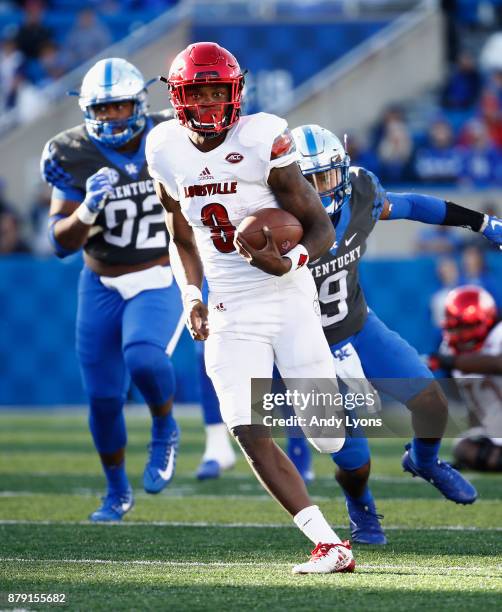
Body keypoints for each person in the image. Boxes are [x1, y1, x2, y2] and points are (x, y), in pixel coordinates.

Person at [146, 42, 355, 575]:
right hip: (229, 304)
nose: (211, 102)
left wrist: (292, 263)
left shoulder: (262, 136)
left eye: (219, 90)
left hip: (288, 295)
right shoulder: (164, 146)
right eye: (199, 92)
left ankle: (345, 382)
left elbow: (320, 225)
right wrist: (190, 297)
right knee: (248, 427)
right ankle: (329, 544)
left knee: (326, 435)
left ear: (236, 92)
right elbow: (181, 235)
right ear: (178, 97)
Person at [288, 124, 502, 544]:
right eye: (306, 181)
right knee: (353, 455)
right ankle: (362, 510)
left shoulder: (361, 193)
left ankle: (424, 461)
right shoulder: (276, 218)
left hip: (357, 324)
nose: (319, 189)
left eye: (326, 177)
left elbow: (412, 205)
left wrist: (480, 222)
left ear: (343, 170)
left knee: (431, 403)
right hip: (306, 345)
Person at [40, 58, 182, 522]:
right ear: (86, 111)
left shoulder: (171, 134)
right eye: (102, 110)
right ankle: (116, 492)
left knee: (144, 356)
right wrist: (85, 213)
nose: (113, 118)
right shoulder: (70, 152)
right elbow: (59, 243)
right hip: (100, 280)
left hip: (159, 272)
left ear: (139, 103)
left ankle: (164, 425)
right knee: (102, 398)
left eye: (121, 107)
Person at [429, 286, 502, 472]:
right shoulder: (450, 349)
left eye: (466, 326)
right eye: (456, 327)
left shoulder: (498, 334)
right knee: (462, 447)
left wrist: (452, 362)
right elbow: (475, 405)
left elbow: (497, 363)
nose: (461, 334)